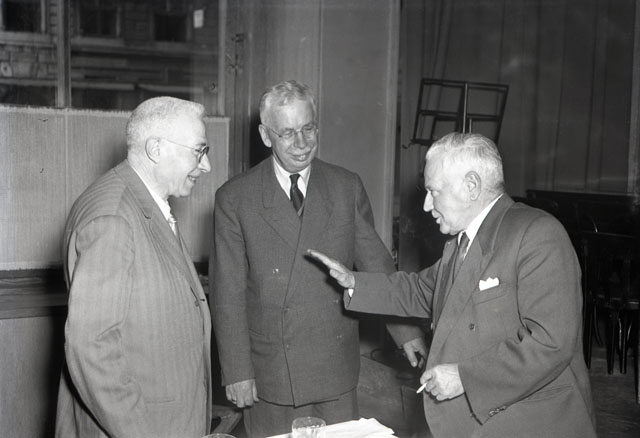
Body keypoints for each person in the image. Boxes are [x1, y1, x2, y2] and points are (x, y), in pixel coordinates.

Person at [309, 132, 597, 438]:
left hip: (529, 422)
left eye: (433, 191)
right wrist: (354, 281)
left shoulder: (538, 234)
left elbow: (551, 343)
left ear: (471, 186)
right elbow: (420, 290)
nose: (426, 205)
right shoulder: (460, 244)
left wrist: (464, 378)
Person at [209, 79, 427, 437]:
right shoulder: (235, 198)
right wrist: (236, 371)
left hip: (334, 368)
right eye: (287, 133)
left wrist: (406, 332)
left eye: (308, 129)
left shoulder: (345, 186)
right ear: (266, 136)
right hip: (271, 372)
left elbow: (376, 265)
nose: (302, 143)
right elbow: (227, 295)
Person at [55, 96, 213, 438]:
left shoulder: (142, 204)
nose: (206, 166)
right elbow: (92, 348)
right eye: (199, 151)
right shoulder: (114, 218)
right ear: (156, 149)